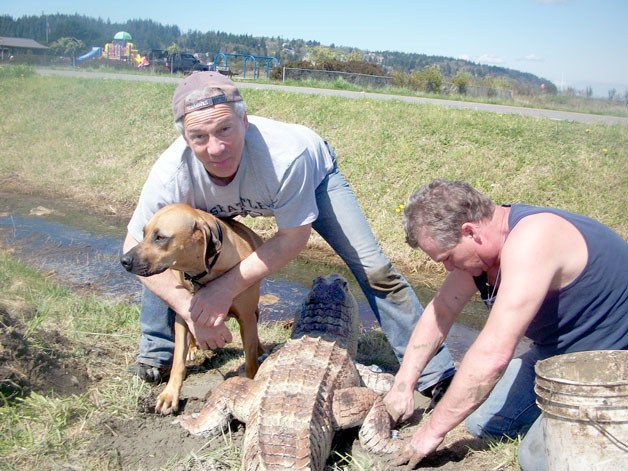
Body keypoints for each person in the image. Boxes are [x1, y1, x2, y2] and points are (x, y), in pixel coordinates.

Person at [123, 72, 456, 398]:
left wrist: (222, 291)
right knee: (161, 250)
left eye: (225, 129)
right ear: (185, 139)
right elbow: (134, 248)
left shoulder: (287, 156)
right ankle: (156, 354)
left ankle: (432, 372)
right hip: (215, 200)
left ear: (245, 122)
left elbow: (292, 239)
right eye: (199, 137)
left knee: (375, 270)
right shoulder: (171, 175)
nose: (215, 148)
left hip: (314, 177)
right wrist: (191, 306)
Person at [383, 179, 627, 470]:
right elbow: (441, 312)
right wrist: (403, 384)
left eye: (447, 258)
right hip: (559, 354)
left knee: (537, 459)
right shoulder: (480, 255)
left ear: (470, 231)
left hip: (613, 359)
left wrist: (429, 434)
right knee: (484, 423)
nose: (447, 268)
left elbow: (493, 355)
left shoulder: (532, 240)